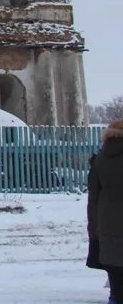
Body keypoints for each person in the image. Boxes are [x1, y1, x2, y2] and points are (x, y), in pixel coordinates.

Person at [89, 120, 123, 304]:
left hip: (107, 226)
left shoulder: (99, 160)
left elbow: (93, 199)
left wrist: (94, 229)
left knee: (116, 280)